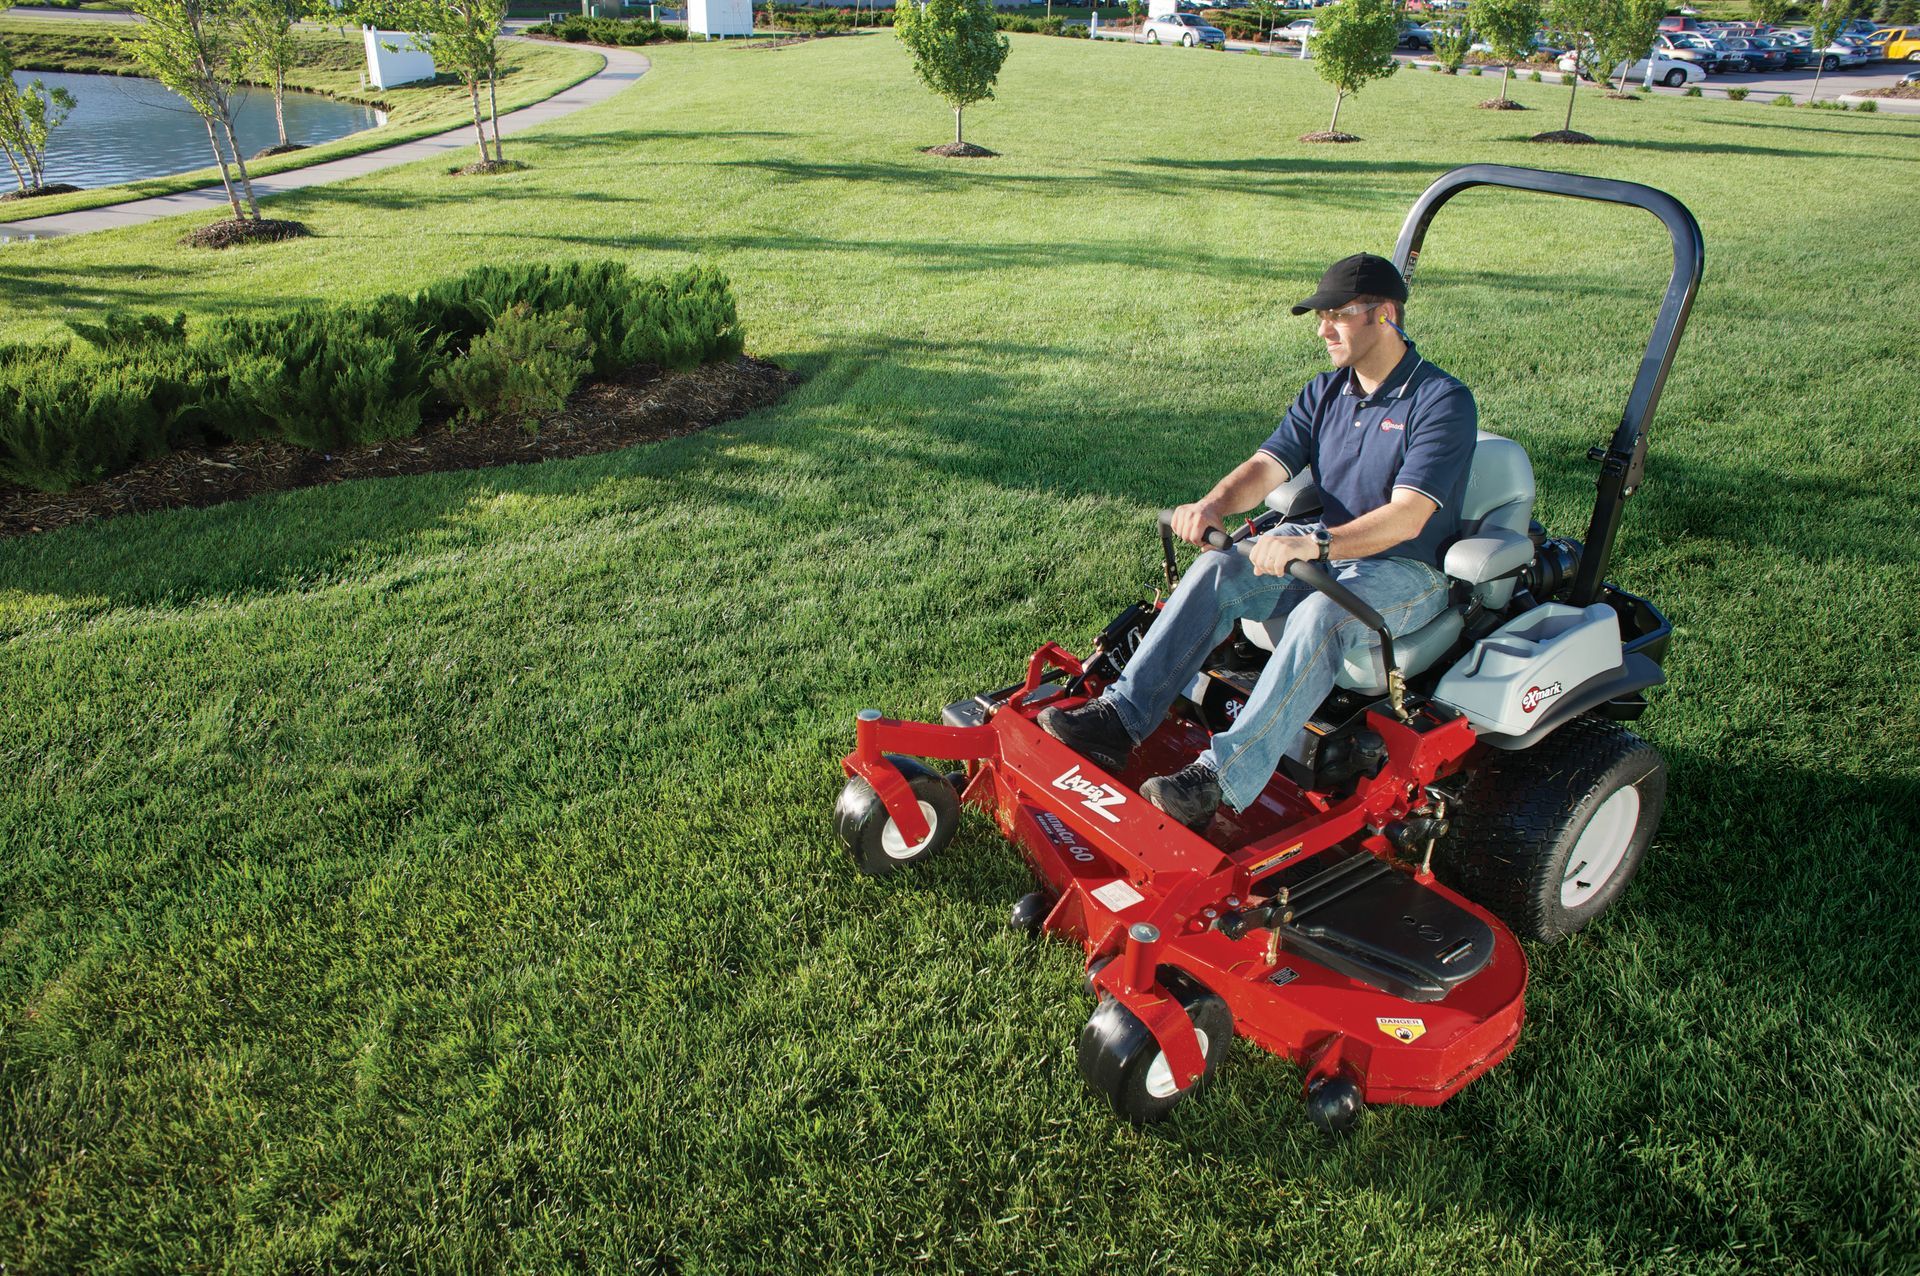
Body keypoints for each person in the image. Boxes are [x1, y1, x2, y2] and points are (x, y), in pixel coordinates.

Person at [1039, 253, 1478, 831]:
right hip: (1320, 548)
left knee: (1323, 614)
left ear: (1386, 314)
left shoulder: (1441, 401)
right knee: (1218, 568)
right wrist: (1214, 504)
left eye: (1338, 315)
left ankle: (1221, 779)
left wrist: (1314, 545)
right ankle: (1120, 720)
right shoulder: (1326, 391)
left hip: (1404, 569)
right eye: (1320, 317)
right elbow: (1266, 466)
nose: (1323, 330)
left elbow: (1408, 517)